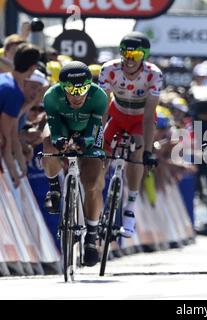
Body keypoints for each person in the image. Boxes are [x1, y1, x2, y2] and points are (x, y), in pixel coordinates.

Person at [42, 61, 108, 267]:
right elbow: (53, 126)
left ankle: (91, 236)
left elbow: (96, 130)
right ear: (62, 87)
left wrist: (86, 142)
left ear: (90, 86)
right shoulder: (51, 97)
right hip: (62, 128)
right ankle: (54, 188)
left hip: (89, 132)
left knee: (92, 184)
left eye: (83, 89)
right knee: (47, 144)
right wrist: (59, 141)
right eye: (71, 90)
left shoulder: (99, 96)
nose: (77, 95)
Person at [99, 31, 162, 237]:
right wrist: (99, 137)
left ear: (144, 56)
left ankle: (130, 209)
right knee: (102, 151)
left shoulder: (154, 74)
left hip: (139, 118)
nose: (129, 60)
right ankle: (98, 194)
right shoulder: (109, 69)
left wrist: (148, 150)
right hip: (117, 115)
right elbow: (102, 108)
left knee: (137, 152)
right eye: (125, 54)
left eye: (135, 55)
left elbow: (148, 115)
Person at [0, 43, 41, 187]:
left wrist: (20, 161)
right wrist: (12, 169)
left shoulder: (5, 79)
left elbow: (13, 131)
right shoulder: (14, 92)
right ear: (33, 68)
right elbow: (6, 136)